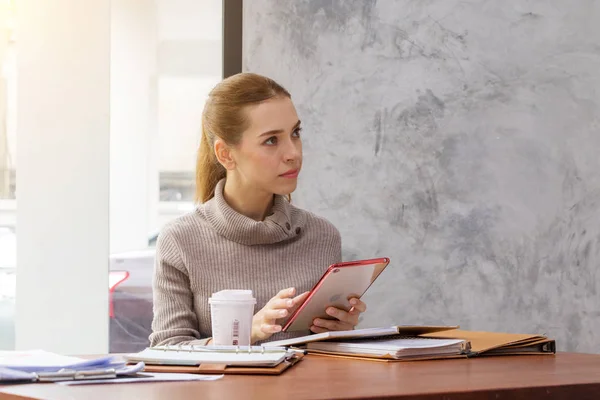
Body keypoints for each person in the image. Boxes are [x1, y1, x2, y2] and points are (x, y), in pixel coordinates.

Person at [149, 72, 367, 346]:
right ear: (225, 154)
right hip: (220, 391)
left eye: (295, 133)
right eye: (271, 140)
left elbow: (322, 358)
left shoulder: (322, 236)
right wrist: (245, 332)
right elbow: (167, 351)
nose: (293, 153)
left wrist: (338, 330)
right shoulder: (180, 240)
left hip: (305, 390)